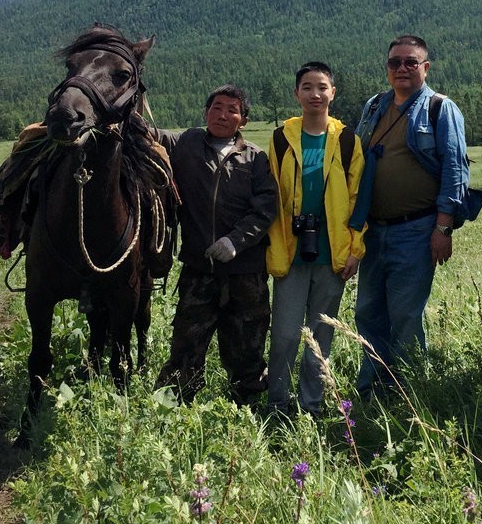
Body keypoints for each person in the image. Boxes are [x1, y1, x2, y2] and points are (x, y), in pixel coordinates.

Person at [352, 34, 478, 396]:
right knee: (368, 312)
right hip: (374, 230)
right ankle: (372, 388)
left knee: (405, 315)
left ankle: (408, 391)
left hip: (417, 229)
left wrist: (444, 227)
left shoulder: (440, 108)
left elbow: (455, 169)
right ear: (387, 69)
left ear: (425, 67)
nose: (402, 68)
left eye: (411, 62)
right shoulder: (374, 106)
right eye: (395, 63)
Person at [154, 84, 277, 405]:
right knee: (185, 345)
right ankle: (172, 410)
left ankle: (244, 413)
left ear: (244, 119)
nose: (223, 115)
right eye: (216, 107)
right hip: (199, 268)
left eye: (232, 109)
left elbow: (266, 209)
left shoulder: (256, 159)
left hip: (247, 274)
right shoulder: (185, 144)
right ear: (206, 112)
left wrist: (235, 242)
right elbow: (145, 131)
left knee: (247, 349)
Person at [265, 62, 365, 416]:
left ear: (332, 93)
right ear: (297, 94)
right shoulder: (280, 139)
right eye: (307, 87)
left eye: (322, 87)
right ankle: (277, 404)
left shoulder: (348, 141)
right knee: (285, 336)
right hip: (291, 254)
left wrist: (355, 249)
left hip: (332, 255)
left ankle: (313, 406)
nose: (315, 94)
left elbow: (357, 199)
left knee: (321, 337)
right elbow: (271, 197)